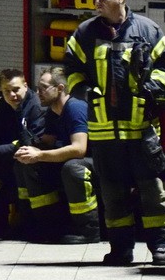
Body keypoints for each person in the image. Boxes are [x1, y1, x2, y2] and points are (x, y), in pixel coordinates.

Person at [63, 0, 165, 266]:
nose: (97, 3)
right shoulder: (84, 33)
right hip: (103, 132)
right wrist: (86, 93)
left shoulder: (147, 30)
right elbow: (72, 70)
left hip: (140, 129)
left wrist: (152, 89)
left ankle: (160, 248)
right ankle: (121, 249)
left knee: (152, 191)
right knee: (113, 194)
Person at [12, 66, 100, 244]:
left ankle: (89, 230)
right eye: (37, 88)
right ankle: (46, 226)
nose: (38, 93)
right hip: (74, 160)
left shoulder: (75, 107)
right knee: (26, 163)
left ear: (60, 88)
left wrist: (40, 155)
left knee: (72, 168)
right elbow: (48, 142)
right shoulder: (52, 112)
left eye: (43, 88)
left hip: (95, 163)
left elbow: (79, 149)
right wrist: (29, 149)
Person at [0, 68, 45, 238]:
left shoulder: (35, 106)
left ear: (25, 86)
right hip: (8, 155)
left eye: (16, 89)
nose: (12, 95)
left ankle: (26, 225)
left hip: (32, 158)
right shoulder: (2, 106)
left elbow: (29, 143)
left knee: (22, 163)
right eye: (6, 91)